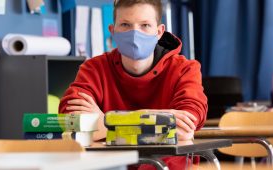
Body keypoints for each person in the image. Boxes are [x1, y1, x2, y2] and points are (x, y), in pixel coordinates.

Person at [58, 0, 208, 169]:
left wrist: (107, 123)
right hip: (109, 164)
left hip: (165, 163)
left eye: (145, 25)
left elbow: (185, 126)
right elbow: (70, 117)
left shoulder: (184, 69)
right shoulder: (94, 68)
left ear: (159, 32)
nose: (135, 33)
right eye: (125, 24)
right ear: (112, 31)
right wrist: (155, 123)